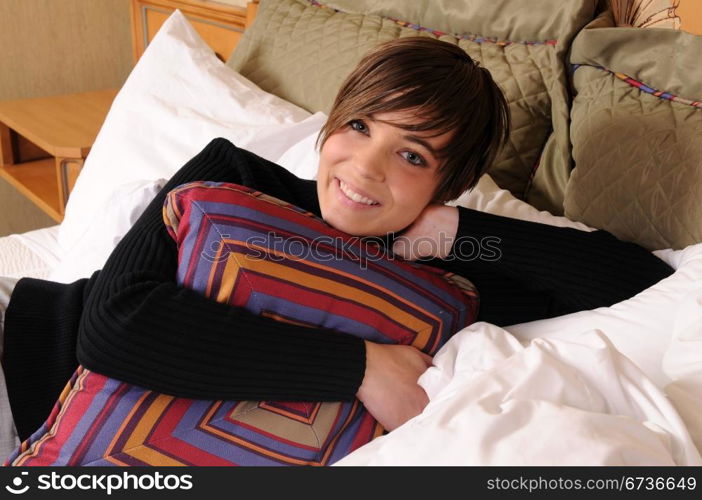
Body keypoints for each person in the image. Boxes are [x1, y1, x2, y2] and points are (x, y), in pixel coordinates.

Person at [2, 38, 674, 442]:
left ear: (449, 182)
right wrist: (359, 367)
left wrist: (455, 230)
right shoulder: (231, 176)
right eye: (358, 127)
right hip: (22, 348)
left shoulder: (434, 279)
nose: (363, 167)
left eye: (411, 156)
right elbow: (114, 328)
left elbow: (634, 280)